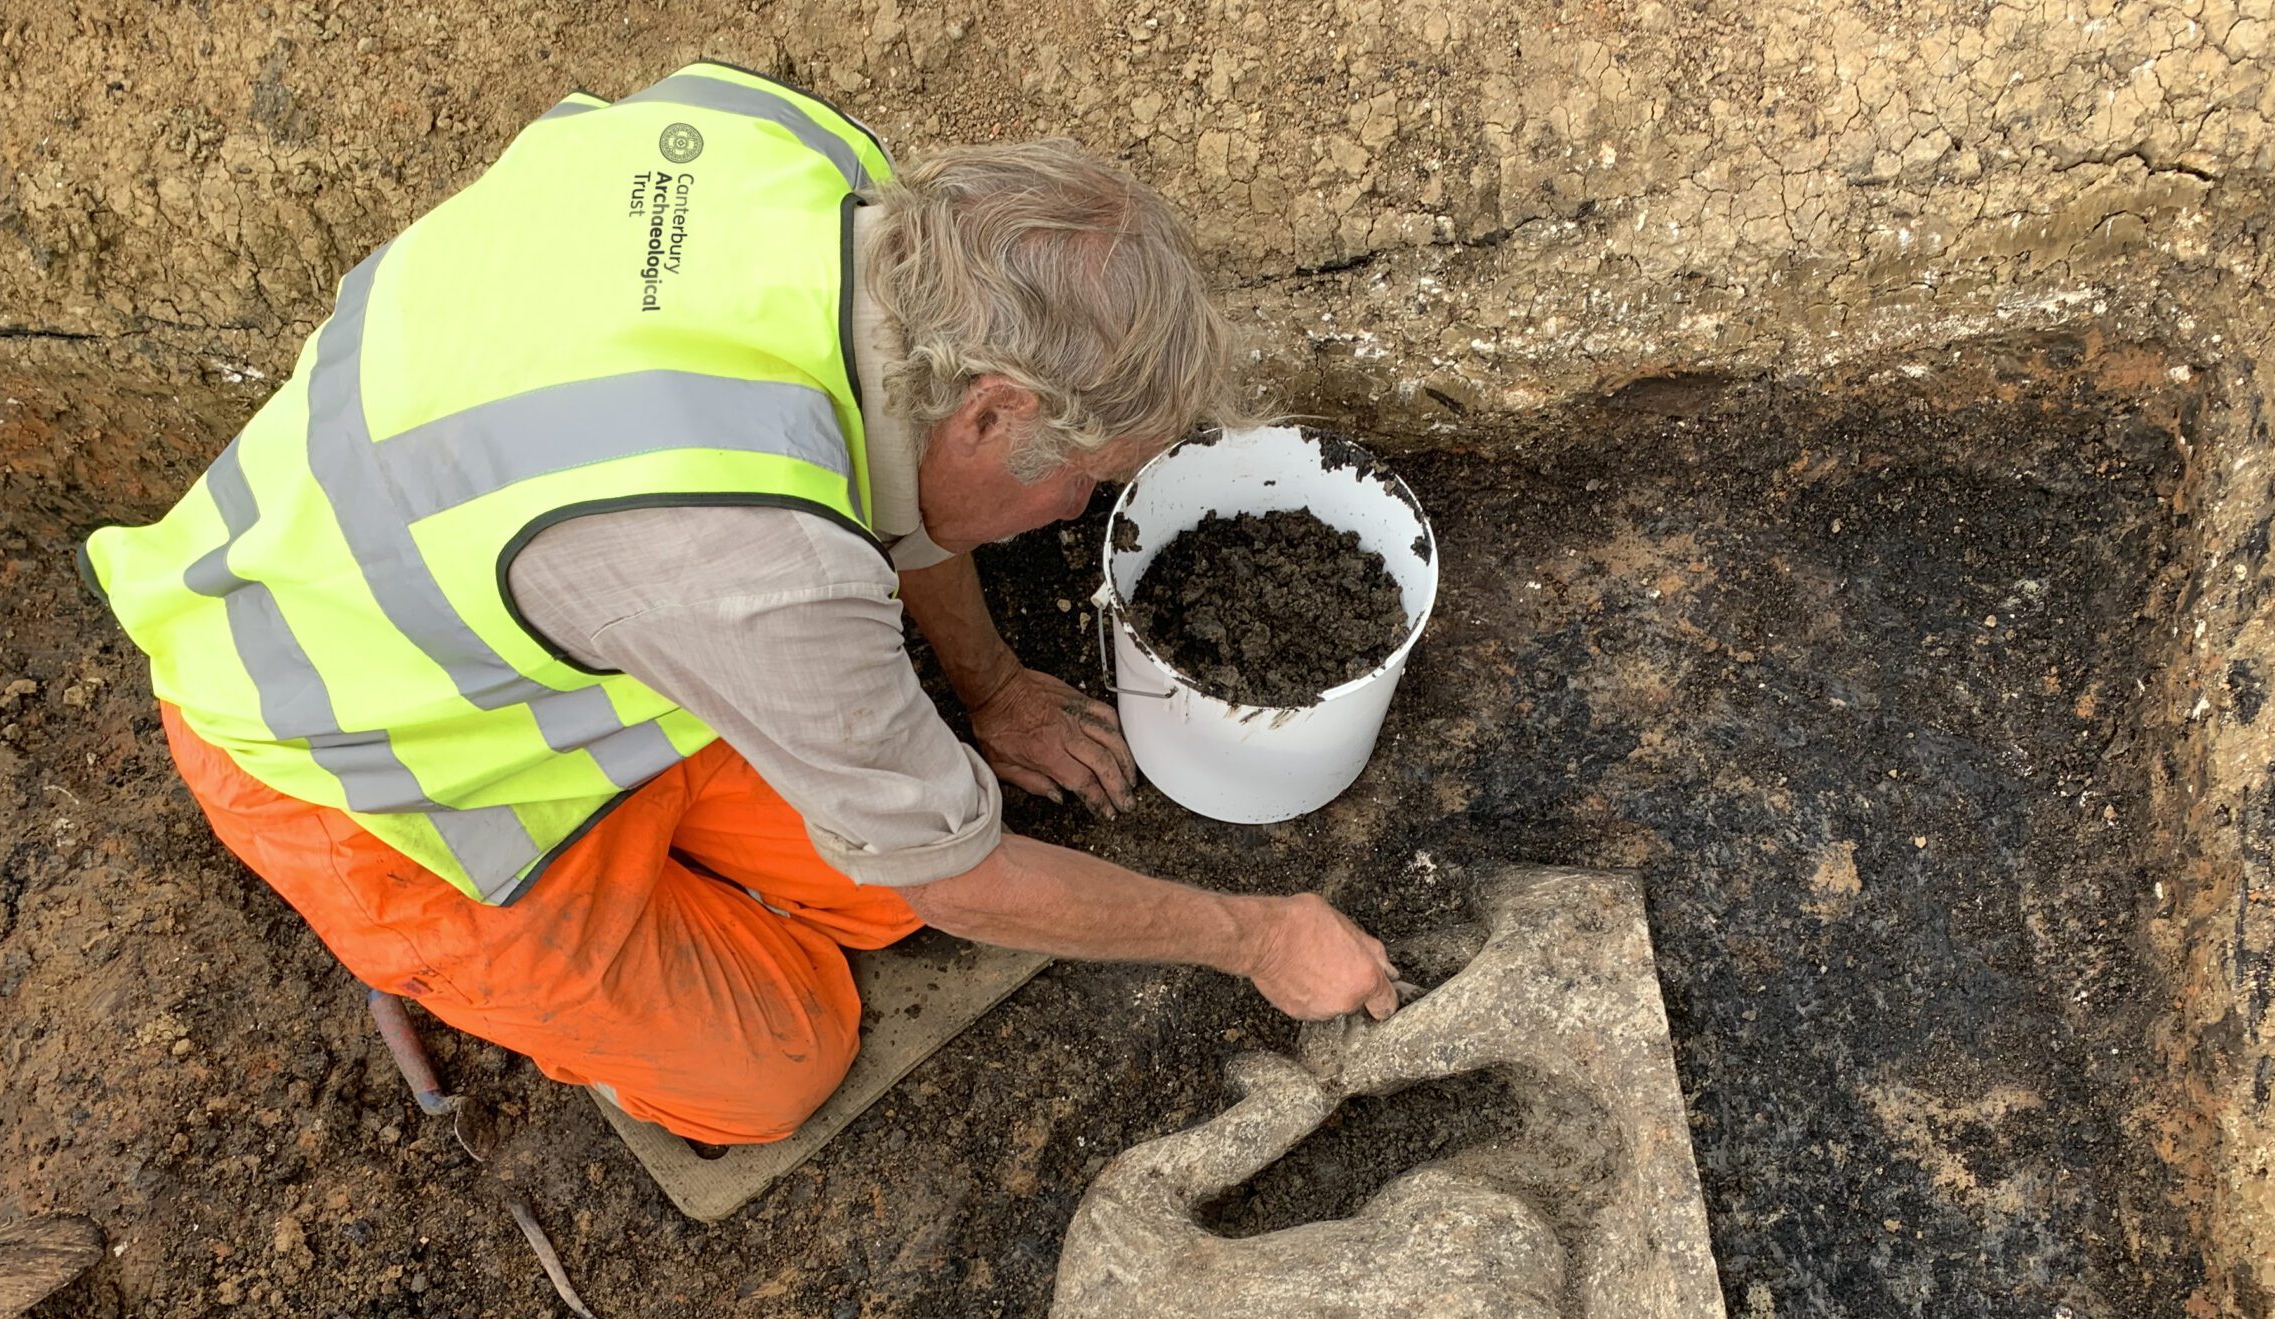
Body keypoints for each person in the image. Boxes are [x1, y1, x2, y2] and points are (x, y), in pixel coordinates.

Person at [82, 61, 1398, 1147]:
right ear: (1000, 411)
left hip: (528, 608)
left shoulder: (808, 167)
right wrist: (1255, 933)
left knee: (873, 885)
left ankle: (666, 888)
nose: (1077, 518)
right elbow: (954, 876)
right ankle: (460, 974)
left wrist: (990, 693)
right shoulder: (759, 567)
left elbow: (897, 460)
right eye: (1086, 483)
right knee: (782, 1060)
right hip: (366, 769)